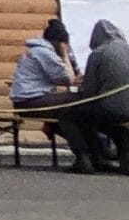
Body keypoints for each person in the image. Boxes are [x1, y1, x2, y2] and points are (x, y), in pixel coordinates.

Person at [53, 21, 127, 173]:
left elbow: (90, 93)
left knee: (70, 115)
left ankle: (83, 158)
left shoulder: (98, 53)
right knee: (110, 123)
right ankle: (110, 156)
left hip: (111, 107)